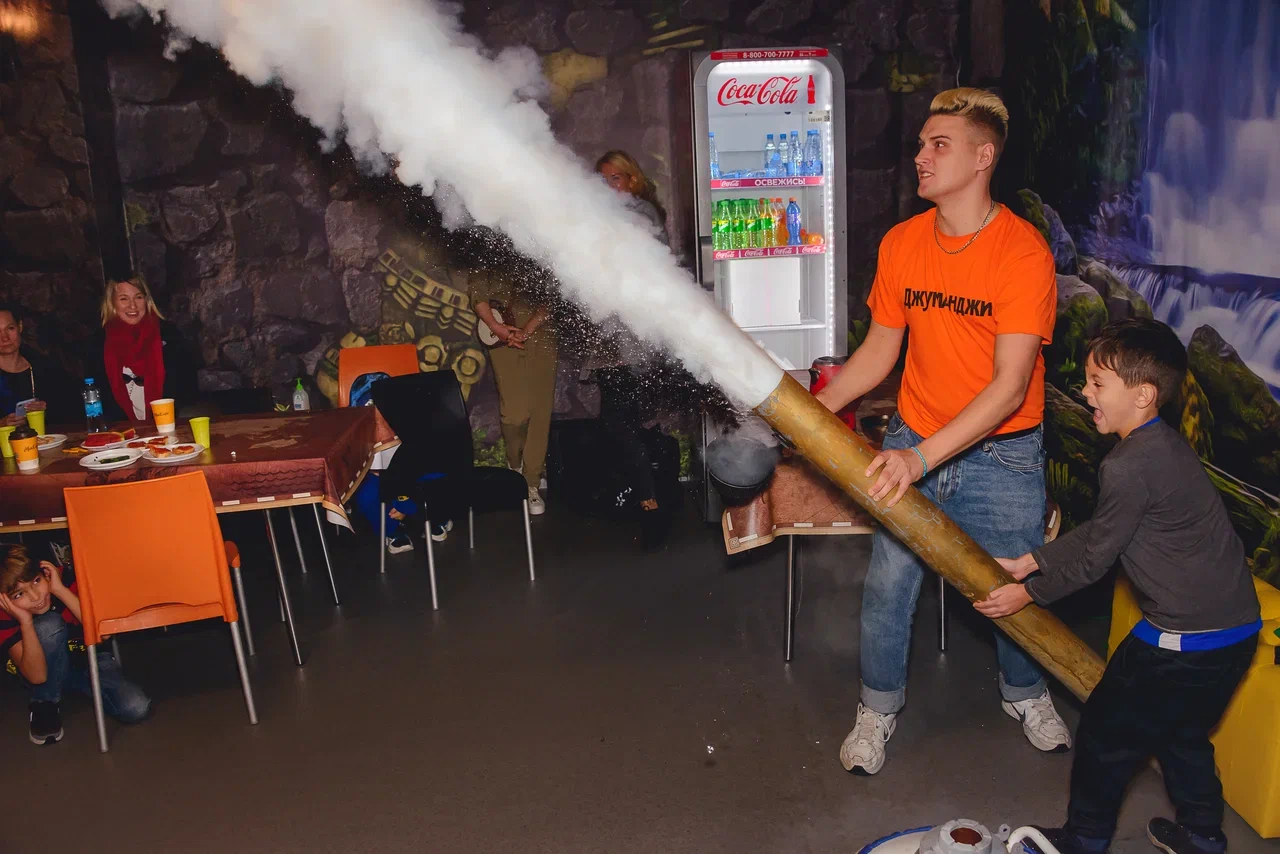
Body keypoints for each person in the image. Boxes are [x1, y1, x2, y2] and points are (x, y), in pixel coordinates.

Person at [815, 87, 1069, 775]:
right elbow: (878, 352)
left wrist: (920, 459)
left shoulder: (1022, 253)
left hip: (1002, 456)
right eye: (921, 145)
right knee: (888, 586)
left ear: (983, 158)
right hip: (915, 436)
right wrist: (811, 413)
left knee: (1007, 588)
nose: (921, 157)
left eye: (939, 145)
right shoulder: (903, 243)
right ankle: (877, 707)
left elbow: (1009, 387)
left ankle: (1025, 693)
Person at [976, 319, 1261, 854]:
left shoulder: (1128, 465)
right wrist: (1031, 561)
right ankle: (1202, 836)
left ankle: (1083, 841)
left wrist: (1027, 595)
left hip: (1182, 641)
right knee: (1183, 735)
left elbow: (1095, 561)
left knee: (1106, 736)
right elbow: (1105, 531)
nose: (1085, 392)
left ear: (1143, 394)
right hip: (1236, 632)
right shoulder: (1164, 446)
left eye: (1097, 383)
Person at [591, 150, 674, 538]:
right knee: (623, 423)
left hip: (633, 338)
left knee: (620, 423)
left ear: (632, 180)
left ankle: (650, 505)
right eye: (602, 180)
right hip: (618, 338)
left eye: (616, 178)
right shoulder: (610, 214)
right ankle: (648, 498)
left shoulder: (640, 214)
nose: (608, 186)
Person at [0, 544, 151, 745]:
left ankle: (72, 687)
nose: (35, 597)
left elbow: (103, 636)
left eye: (37, 581)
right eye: (19, 594)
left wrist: (60, 590)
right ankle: (44, 703)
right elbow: (37, 676)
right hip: (44, 674)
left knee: (136, 707)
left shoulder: (64, 579)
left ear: (46, 572)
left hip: (91, 662)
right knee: (49, 624)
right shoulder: (5, 614)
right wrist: (25, 622)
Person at [469, 252, 556, 516]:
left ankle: (531, 482)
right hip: (501, 335)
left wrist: (527, 330)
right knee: (514, 414)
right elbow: (477, 293)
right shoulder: (488, 245)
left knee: (540, 412)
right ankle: (514, 463)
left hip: (542, 336)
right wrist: (497, 327)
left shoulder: (546, 245)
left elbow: (556, 294)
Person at [85, 277, 198, 425]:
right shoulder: (99, 342)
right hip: (119, 430)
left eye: (138, 297)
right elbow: (93, 395)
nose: (133, 306)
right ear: (112, 302)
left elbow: (188, 386)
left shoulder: (169, 334)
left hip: (166, 424)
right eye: (124, 299)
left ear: (146, 300)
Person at [0, 301, 77, 427]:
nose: (5, 338)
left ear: (20, 327)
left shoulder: (45, 367)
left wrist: (47, 410)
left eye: (10, 328)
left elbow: (72, 407)